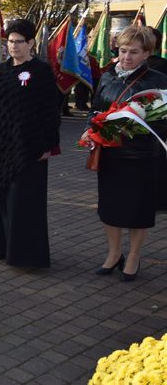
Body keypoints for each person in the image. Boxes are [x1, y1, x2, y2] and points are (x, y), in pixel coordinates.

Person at [80, 25, 167, 281]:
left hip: (140, 156)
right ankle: (114, 253)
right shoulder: (108, 77)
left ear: (147, 53)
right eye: (123, 50)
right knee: (110, 208)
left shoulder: (158, 81)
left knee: (138, 210)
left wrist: (124, 126)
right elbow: (95, 110)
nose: (127, 57)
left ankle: (133, 257)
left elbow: (161, 122)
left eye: (134, 52)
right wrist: (89, 129)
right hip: (110, 154)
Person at [0, 18, 60, 269]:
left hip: (29, 147)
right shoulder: (1, 71)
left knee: (23, 203)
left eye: (19, 42)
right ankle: (1, 245)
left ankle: (26, 254)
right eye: (10, 42)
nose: (13, 46)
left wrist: (48, 144)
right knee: (0, 198)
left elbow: (51, 111)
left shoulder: (41, 72)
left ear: (31, 43)